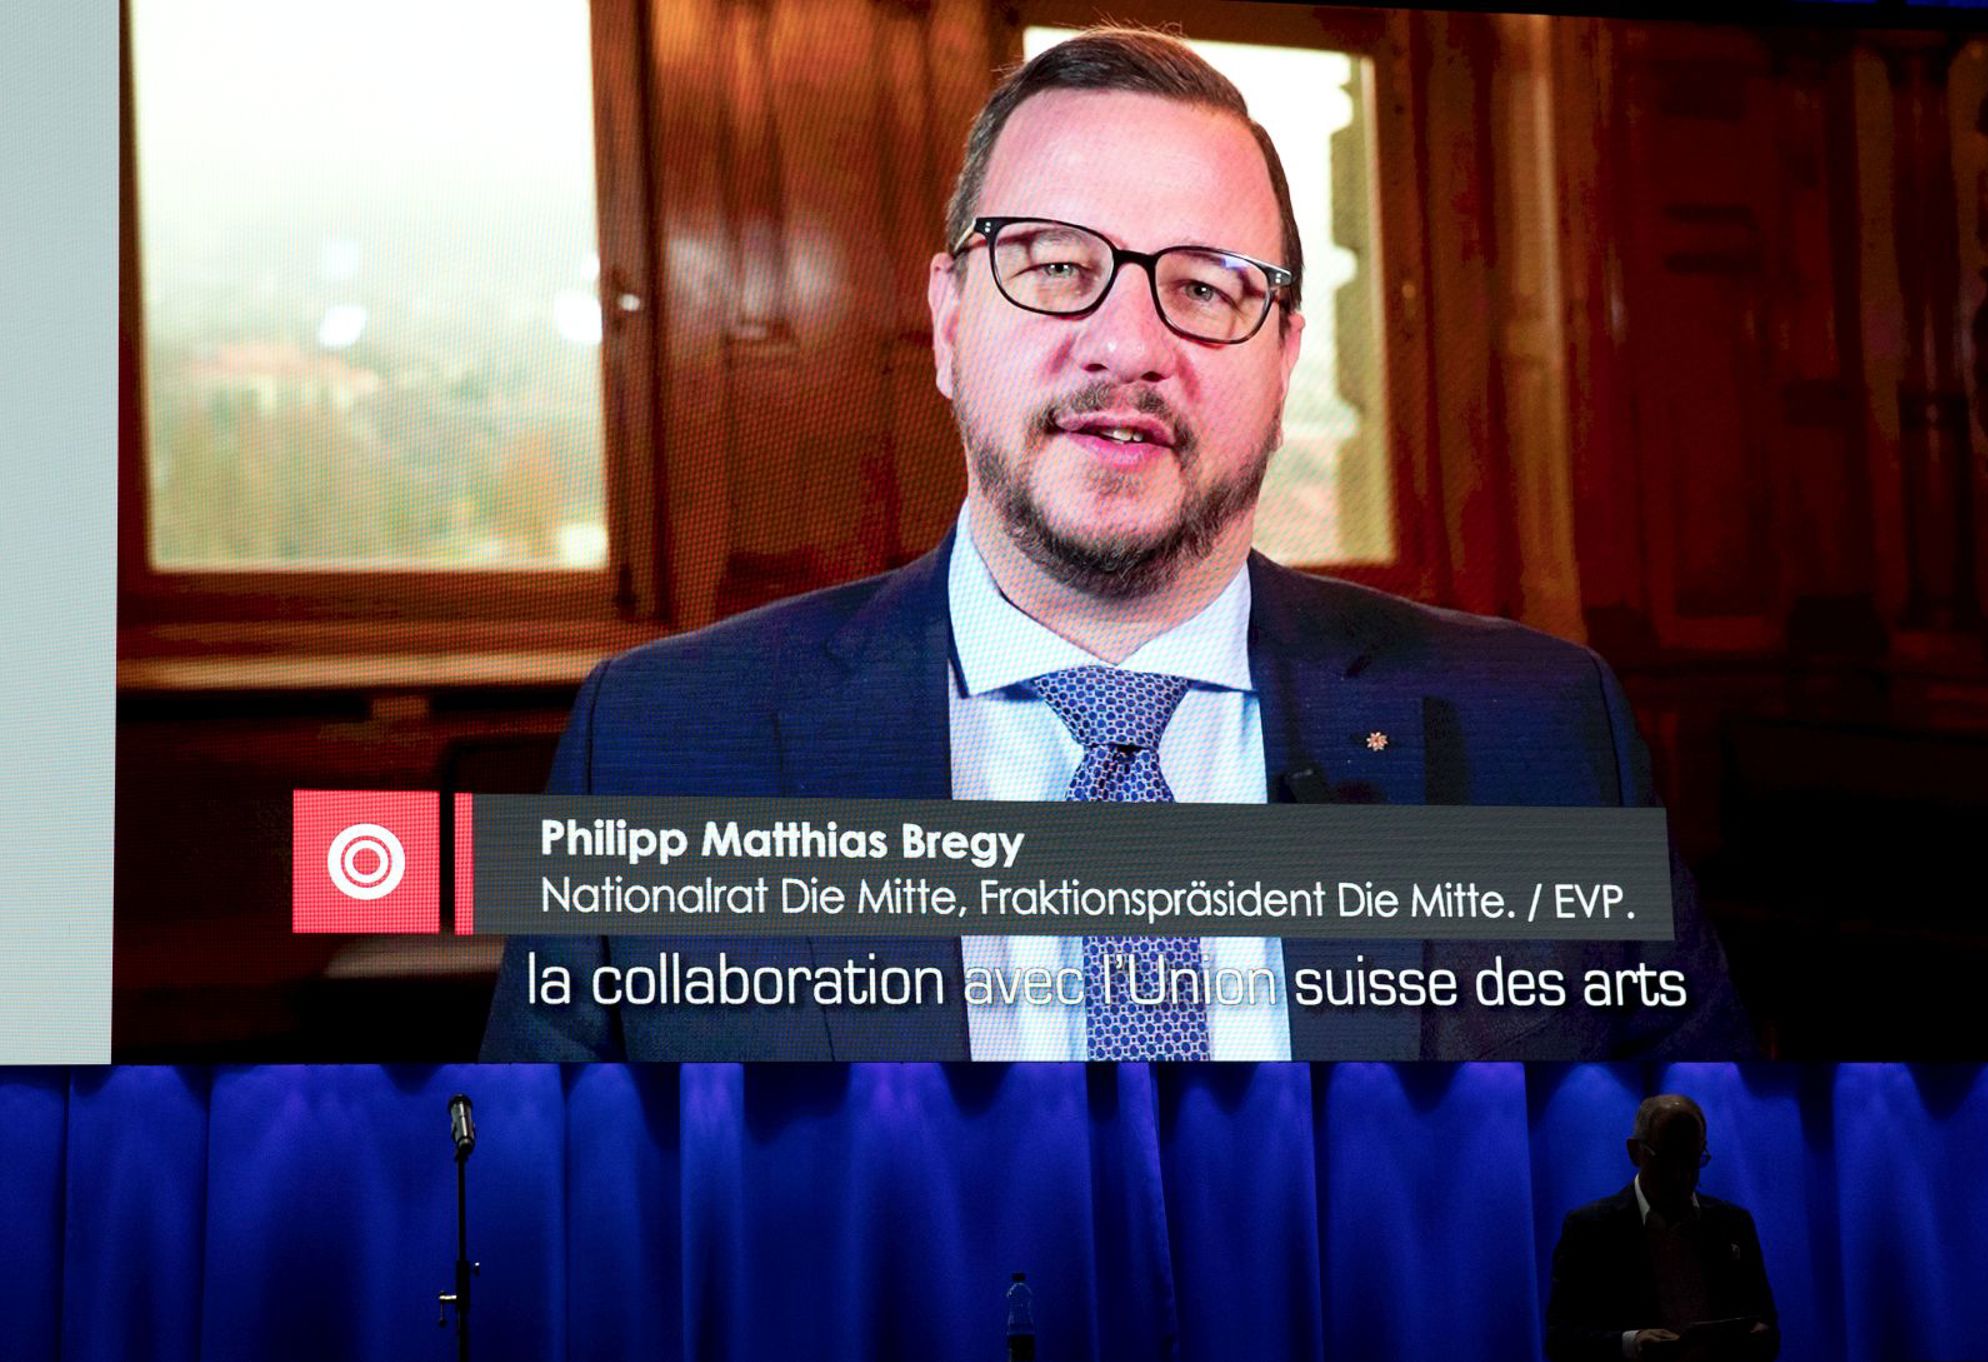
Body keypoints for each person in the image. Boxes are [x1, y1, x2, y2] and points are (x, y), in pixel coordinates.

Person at [480, 27, 1748, 1062]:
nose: (1128, 345)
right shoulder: (663, 751)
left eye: (1202, 287)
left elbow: (1697, 1222)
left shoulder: (1544, 739)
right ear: (947, 323)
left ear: (1283, 357)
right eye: (1051, 267)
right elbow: (548, 1241)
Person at [1545, 1095, 1779, 1361]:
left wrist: (1759, 1338)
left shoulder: (1734, 1225)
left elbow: (1767, 1325)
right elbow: (1560, 1341)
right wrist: (1631, 1343)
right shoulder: (1589, 1230)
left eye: (1692, 1159)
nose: (1681, 1174)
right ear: (1635, 1151)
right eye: (1668, 1158)